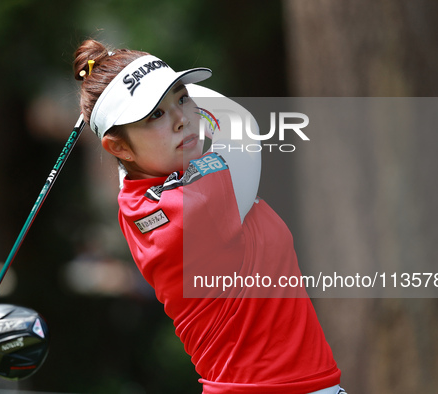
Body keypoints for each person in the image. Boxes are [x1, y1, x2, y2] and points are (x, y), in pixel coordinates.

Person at [73, 39, 345, 394]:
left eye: (182, 97)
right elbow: (238, 122)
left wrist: (124, 78)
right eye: (156, 114)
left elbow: (134, 166)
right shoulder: (194, 205)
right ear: (118, 146)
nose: (182, 119)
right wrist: (138, 78)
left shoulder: (139, 198)